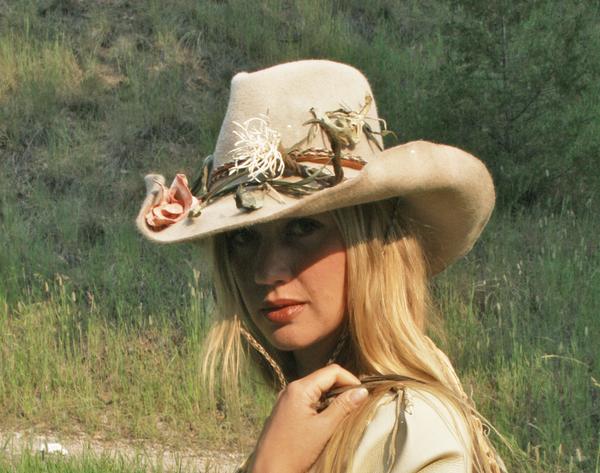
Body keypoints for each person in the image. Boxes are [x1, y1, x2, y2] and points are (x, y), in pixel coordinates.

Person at [136, 60, 504, 472]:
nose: (265, 271)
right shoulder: (314, 423)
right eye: (243, 237)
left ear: (371, 242)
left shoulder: (411, 435)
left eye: (304, 227)